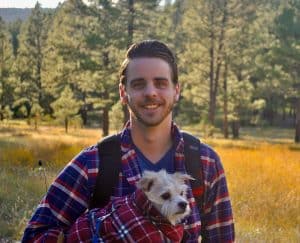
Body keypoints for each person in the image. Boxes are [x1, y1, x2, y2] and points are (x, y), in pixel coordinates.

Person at [22, 40, 234, 242]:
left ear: (176, 90)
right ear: (124, 93)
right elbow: (35, 236)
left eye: (160, 83)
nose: (150, 92)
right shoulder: (94, 163)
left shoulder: (204, 162)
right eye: (139, 84)